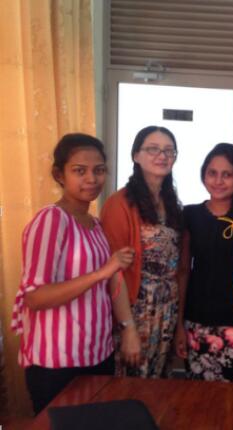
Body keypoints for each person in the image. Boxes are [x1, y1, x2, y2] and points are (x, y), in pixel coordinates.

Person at [11, 134, 134, 413]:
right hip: (56, 361)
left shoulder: (95, 224)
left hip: (97, 353)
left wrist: (128, 329)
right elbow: (35, 297)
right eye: (80, 170)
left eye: (99, 170)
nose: (91, 178)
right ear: (60, 175)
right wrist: (100, 273)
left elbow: (112, 281)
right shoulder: (51, 220)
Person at [174, 143, 233, 382]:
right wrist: (178, 325)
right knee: (197, 394)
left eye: (227, 174)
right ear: (203, 175)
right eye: (212, 173)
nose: (218, 181)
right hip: (197, 321)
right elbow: (183, 271)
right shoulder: (190, 215)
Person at [100, 126, 186, 378]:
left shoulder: (171, 203)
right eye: (153, 149)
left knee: (157, 383)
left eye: (169, 151)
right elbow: (114, 270)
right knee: (130, 383)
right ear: (136, 155)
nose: (162, 156)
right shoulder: (119, 203)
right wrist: (127, 328)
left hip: (167, 309)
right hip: (135, 310)